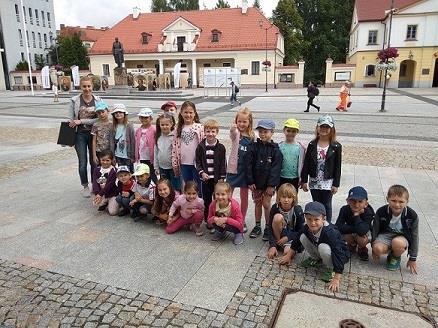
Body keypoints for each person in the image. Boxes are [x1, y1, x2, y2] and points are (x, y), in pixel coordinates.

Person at [290, 201, 350, 292]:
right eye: (309, 219)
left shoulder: (330, 233)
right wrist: (289, 255)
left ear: (323, 219)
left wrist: (337, 278)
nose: (312, 223)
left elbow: (339, 252)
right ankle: (316, 259)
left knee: (323, 247)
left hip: (339, 255)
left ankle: (331, 269)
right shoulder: (307, 227)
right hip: (322, 249)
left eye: (316, 219)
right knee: (302, 237)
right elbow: (298, 237)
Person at [246, 119, 283, 240]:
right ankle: (257, 226)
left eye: (265, 132)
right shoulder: (253, 147)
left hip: (268, 184)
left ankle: (268, 226)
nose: (262, 134)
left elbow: (276, 170)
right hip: (256, 183)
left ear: (272, 132)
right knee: (257, 204)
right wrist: (250, 181)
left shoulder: (275, 150)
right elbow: (249, 165)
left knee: (266, 204)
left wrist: (272, 185)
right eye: (260, 131)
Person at [301, 115, 342, 223]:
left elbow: (338, 167)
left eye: (327, 127)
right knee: (316, 203)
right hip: (314, 179)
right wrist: (304, 180)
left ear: (331, 129)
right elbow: (306, 163)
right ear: (317, 128)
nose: (324, 129)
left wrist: (336, 184)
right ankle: (317, 223)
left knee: (327, 204)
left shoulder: (336, 146)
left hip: (328, 181)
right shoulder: (312, 144)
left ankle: (327, 224)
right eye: (321, 126)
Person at [371, 185, 419, 273]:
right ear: (387, 199)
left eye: (401, 201)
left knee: (398, 243)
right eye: (393, 200)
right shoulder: (381, 211)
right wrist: (373, 247)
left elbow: (415, 236)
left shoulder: (412, 215)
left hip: (402, 237)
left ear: (407, 201)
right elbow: (375, 229)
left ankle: (395, 256)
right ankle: (390, 249)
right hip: (386, 235)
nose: (397, 204)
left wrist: (413, 258)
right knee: (377, 248)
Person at [68, 76, 101, 198]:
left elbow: (99, 118)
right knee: (82, 162)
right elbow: (71, 120)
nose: (87, 89)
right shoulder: (74, 101)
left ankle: (94, 184)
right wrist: (69, 138)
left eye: (89, 86)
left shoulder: (98, 100)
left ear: (92, 86)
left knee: (94, 161)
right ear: (80, 87)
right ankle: (85, 185)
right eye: (84, 86)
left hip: (94, 134)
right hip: (79, 135)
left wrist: (81, 121)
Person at [226, 107, 254, 233]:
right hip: (233, 168)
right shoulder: (236, 133)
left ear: (249, 122)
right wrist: (233, 128)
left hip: (245, 171)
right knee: (228, 194)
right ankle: (227, 215)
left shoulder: (252, 136)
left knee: (244, 196)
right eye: (239, 121)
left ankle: (241, 219)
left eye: (244, 122)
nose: (241, 124)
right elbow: (232, 133)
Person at [195, 119, 227, 231]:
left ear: (217, 132)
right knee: (207, 201)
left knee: (218, 200)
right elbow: (197, 162)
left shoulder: (221, 147)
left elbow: (223, 163)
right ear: (204, 132)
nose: (210, 134)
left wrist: (222, 178)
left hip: (217, 180)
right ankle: (209, 220)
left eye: (213, 131)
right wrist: (202, 173)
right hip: (205, 180)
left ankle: (219, 218)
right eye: (208, 131)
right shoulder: (200, 146)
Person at [266, 183, 304, 265]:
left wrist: (288, 237)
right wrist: (272, 245)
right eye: (283, 197)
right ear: (279, 198)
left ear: (293, 198)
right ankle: (277, 243)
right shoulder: (275, 208)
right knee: (277, 217)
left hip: (292, 238)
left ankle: (284, 246)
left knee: (287, 253)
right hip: (280, 234)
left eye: (289, 197)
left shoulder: (298, 210)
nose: (286, 200)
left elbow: (301, 231)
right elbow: (270, 227)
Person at [335, 186, 375, 261]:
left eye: (360, 201)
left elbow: (362, 231)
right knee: (344, 235)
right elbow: (338, 226)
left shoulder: (368, 212)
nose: (356, 205)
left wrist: (356, 215)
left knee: (362, 238)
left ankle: (362, 248)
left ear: (366, 203)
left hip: (364, 233)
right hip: (353, 230)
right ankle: (352, 245)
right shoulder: (344, 209)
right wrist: (354, 229)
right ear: (347, 201)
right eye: (353, 201)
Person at [171, 101, 204, 190]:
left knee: (198, 186)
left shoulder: (199, 127)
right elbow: (174, 146)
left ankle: (199, 203)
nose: (188, 115)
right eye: (186, 112)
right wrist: (174, 161)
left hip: (197, 163)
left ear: (194, 113)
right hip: (184, 163)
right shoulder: (178, 128)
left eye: (190, 112)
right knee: (188, 186)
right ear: (181, 113)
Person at [154, 113, 180, 191]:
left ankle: (176, 201)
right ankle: (166, 201)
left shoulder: (174, 136)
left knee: (175, 187)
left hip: (173, 168)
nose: (164, 126)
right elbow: (156, 152)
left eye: (166, 124)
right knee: (165, 187)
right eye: (162, 125)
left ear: (171, 124)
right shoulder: (158, 137)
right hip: (162, 167)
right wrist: (156, 167)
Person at [278, 119, 306, 191]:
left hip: (294, 178)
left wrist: (302, 179)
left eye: (293, 131)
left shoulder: (300, 148)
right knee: (281, 198)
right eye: (288, 131)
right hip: (281, 177)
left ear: (297, 132)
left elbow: (303, 164)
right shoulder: (279, 146)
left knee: (292, 198)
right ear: (284, 130)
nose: (290, 133)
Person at [91, 150, 118, 215]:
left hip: (112, 194)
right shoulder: (97, 169)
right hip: (102, 193)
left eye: (107, 160)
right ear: (100, 159)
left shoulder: (114, 170)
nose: (105, 162)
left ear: (111, 160)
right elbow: (95, 183)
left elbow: (109, 185)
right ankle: (105, 202)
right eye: (103, 160)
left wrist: (100, 194)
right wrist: (97, 194)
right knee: (95, 203)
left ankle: (115, 202)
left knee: (112, 212)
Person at [135, 108, 157, 183]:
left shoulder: (153, 130)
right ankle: (146, 188)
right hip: (142, 156)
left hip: (151, 157)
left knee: (152, 173)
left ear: (151, 118)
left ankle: (156, 188)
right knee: (144, 173)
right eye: (142, 117)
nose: (144, 119)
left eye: (146, 117)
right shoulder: (138, 130)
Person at [112, 104, 135, 172]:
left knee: (129, 172)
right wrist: (113, 155)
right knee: (121, 172)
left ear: (124, 114)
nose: (118, 114)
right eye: (116, 112)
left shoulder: (129, 126)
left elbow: (132, 141)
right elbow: (112, 142)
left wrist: (132, 155)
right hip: (118, 155)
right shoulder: (113, 126)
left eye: (120, 112)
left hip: (127, 155)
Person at [91, 101, 114, 165]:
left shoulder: (112, 124)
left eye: (103, 112)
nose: (101, 114)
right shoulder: (95, 125)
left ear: (107, 111)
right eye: (99, 113)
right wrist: (94, 155)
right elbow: (94, 141)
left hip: (109, 151)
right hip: (99, 151)